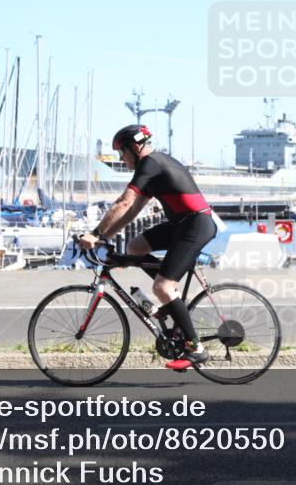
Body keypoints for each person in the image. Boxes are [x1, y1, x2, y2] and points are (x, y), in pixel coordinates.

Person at [78, 124, 216, 369]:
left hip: (196, 224)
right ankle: (170, 301)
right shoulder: (151, 168)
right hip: (182, 223)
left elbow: (123, 201)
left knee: (162, 285)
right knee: (135, 247)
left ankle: (196, 347)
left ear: (135, 147)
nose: (121, 158)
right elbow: (133, 210)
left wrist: (95, 232)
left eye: (123, 152)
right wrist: (104, 237)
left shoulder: (151, 163)